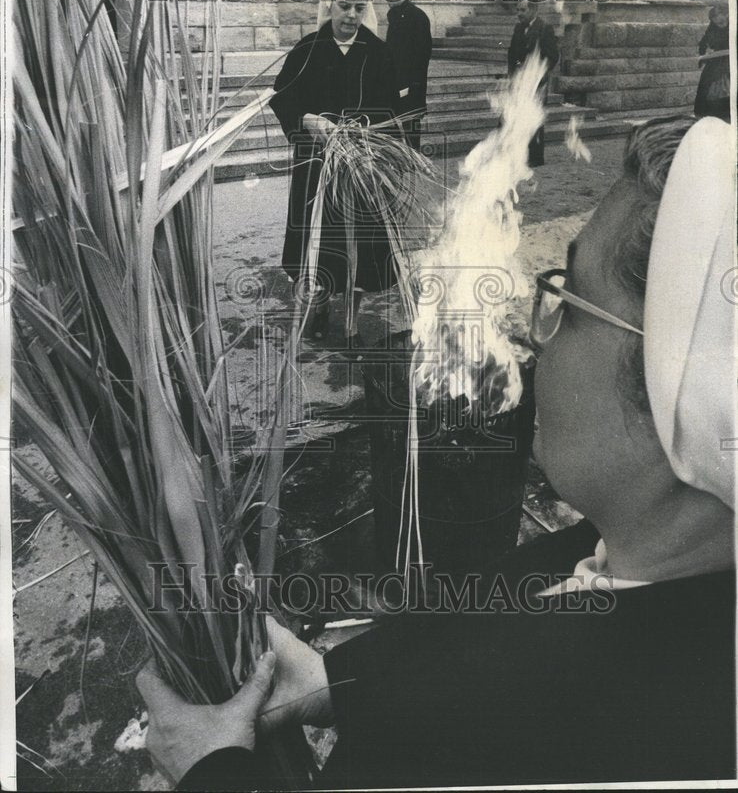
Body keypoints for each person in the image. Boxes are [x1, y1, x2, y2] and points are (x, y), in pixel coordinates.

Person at [138, 116, 736, 789]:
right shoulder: (645, 564)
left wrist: (211, 772)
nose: (536, 341)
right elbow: (494, 624)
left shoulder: (525, 739)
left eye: (569, 301)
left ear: (678, 396)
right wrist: (336, 679)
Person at [268, 0, 402, 346]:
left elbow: (391, 109)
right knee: (319, 238)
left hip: (362, 167)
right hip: (316, 165)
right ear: (330, 5)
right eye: (344, 6)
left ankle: (353, 322)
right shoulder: (309, 48)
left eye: (360, 8)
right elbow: (283, 96)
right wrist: (306, 119)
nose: (351, 16)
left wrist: (369, 137)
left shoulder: (378, 53)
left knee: (359, 241)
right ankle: (322, 304)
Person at [382, 0, 433, 152]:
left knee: (411, 131)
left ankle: (413, 164)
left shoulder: (417, 17)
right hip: (393, 85)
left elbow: (422, 57)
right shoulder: (394, 14)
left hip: (411, 87)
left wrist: (411, 86)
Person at [507, 0, 560, 166]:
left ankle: (535, 158)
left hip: (537, 82)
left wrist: (539, 74)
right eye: (517, 10)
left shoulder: (544, 29)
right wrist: (513, 75)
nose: (519, 14)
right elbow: (512, 53)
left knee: (534, 118)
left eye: (522, 10)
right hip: (520, 80)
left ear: (533, 10)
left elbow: (552, 56)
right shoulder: (518, 28)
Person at [694, 2, 730, 121]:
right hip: (716, 61)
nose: (719, 24)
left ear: (727, 15)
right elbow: (704, 43)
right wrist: (702, 54)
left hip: (730, 61)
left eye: (721, 22)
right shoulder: (713, 28)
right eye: (715, 22)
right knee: (707, 86)